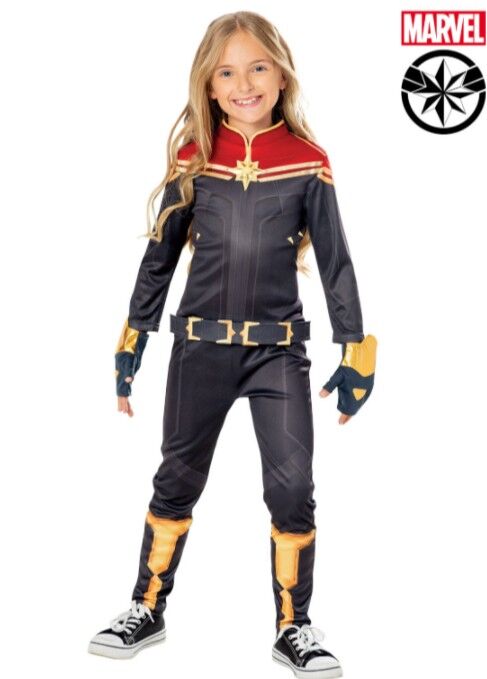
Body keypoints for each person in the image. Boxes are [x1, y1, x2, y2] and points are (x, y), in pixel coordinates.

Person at [88, 11, 377, 678]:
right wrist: (133, 337)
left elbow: (336, 261)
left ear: (281, 75)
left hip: (280, 353)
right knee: (177, 478)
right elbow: (159, 258)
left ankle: (293, 626)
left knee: (293, 487)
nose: (243, 83)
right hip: (199, 350)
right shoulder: (193, 158)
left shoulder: (308, 162)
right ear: (209, 85)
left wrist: (354, 349)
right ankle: (146, 607)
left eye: (257, 67)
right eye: (226, 72)